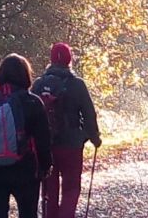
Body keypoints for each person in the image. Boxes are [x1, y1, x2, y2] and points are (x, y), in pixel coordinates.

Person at [0, 54, 54, 218]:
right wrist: (45, 165)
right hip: (25, 170)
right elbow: (43, 138)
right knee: (28, 213)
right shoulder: (33, 102)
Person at [35, 43, 100, 218]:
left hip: (46, 145)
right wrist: (94, 138)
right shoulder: (77, 84)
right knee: (71, 187)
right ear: (69, 60)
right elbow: (89, 114)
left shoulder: (39, 84)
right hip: (71, 144)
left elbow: (31, 114)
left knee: (49, 189)